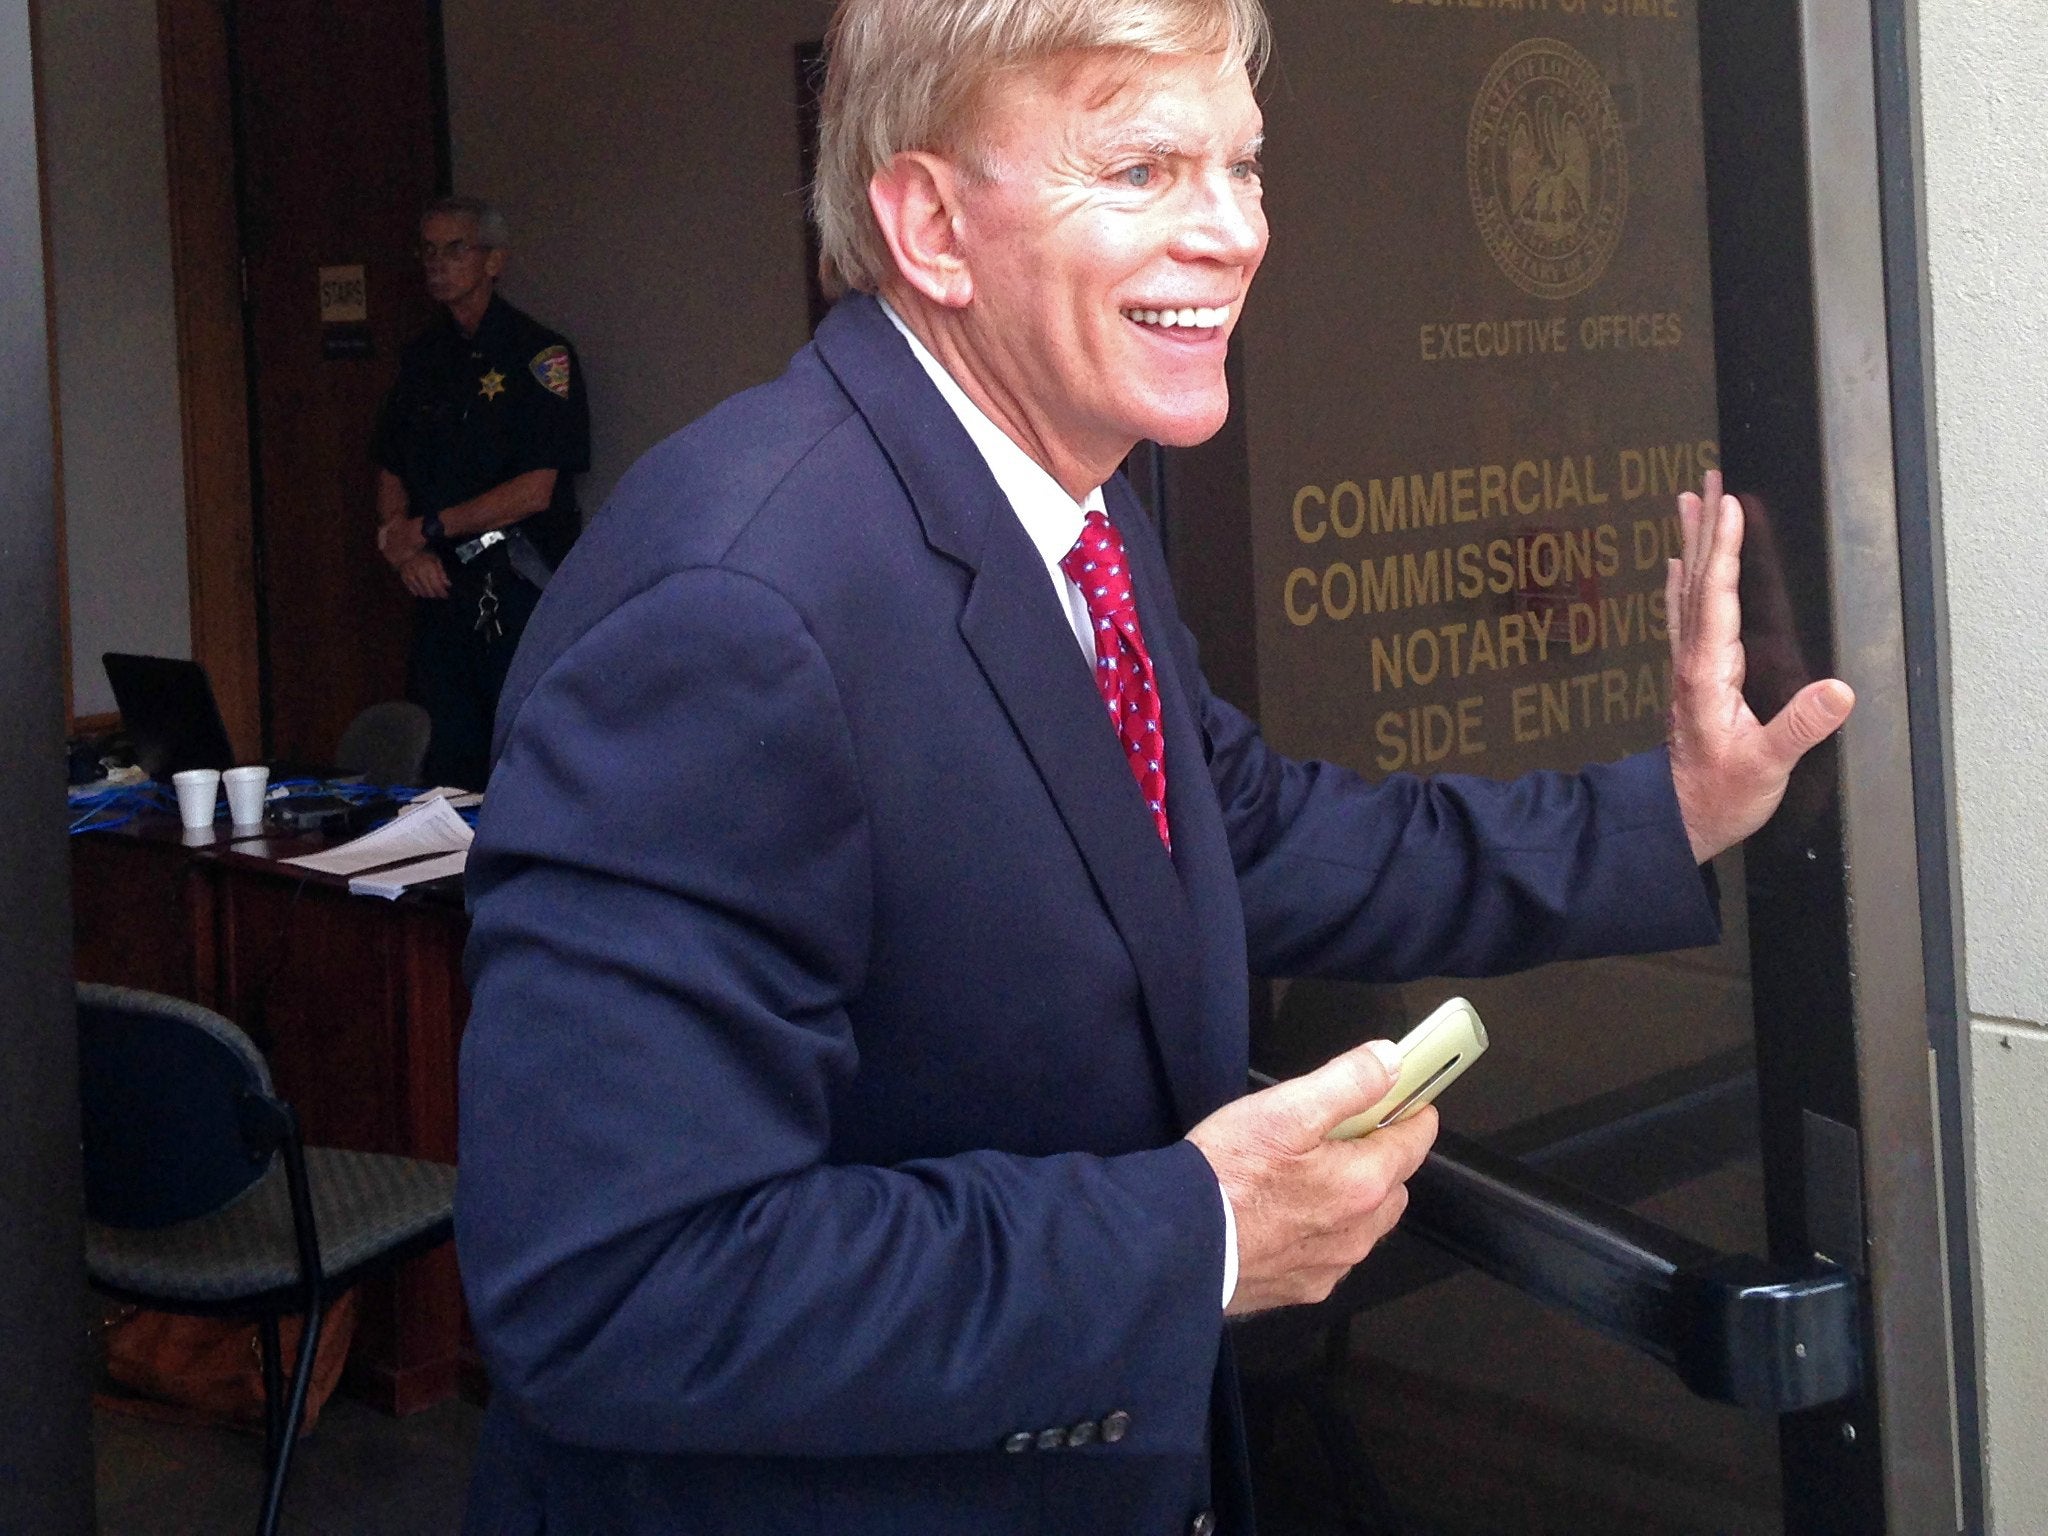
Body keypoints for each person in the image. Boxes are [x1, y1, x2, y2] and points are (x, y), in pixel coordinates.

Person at [453, 2, 1856, 1531]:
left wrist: (1668, 811)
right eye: (1138, 169)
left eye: (1241, 167)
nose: (1232, 232)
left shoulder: (1080, 503)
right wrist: (1196, 1237)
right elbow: (614, 1289)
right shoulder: (732, 612)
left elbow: (1237, 835)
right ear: (930, 223)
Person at [371, 195, 589, 790]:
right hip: (435, 588)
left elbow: (536, 489)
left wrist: (433, 527)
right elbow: (391, 462)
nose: (438, 264)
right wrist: (404, 548)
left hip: (511, 584)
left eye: (455, 249)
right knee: (442, 759)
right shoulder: (423, 358)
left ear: (493, 262)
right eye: (429, 251)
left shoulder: (538, 355)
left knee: (517, 752)